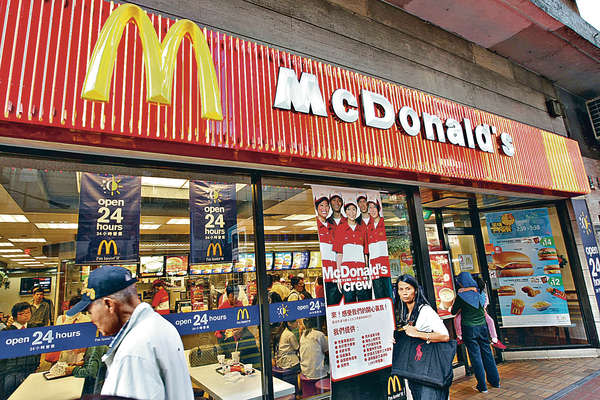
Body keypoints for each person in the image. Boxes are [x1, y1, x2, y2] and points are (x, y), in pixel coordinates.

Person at [65, 265, 193, 400]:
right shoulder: (160, 326)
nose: (92, 319)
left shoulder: (133, 352)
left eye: (90, 311)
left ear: (109, 305)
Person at [394, 274, 451, 400]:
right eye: (401, 289)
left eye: (408, 289)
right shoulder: (403, 312)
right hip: (415, 370)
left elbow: (445, 336)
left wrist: (418, 334)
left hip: (429, 370)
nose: (404, 293)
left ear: (415, 290)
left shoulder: (425, 310)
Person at [451, 272, 500, 393]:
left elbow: (453, 311)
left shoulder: (461, 296)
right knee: (487, 353)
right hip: (483, 327)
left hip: (469, 328)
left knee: (475, 356)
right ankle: (495, 381)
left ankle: (482, 386)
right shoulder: (481, 292)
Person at [0, 302, 41, 399]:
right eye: (21, 314)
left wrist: (36, 364)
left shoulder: (35, 329)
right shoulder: (7, 332)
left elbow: (38, 348)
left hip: (31, 369)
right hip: (11, 372)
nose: (25, 315)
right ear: (14, 316)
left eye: (28, 312)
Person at [453, 275, 506, 349]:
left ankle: (494, 339)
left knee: (457, 319)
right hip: (477, 315)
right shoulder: (476, 291)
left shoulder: (474, 291)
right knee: (490, 321)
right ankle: (494, 339)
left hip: (471, 316)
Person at [333, 199, 370, 303]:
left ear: (357, 211)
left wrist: (367, 273)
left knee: (364, 301)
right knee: (349, 301)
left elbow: (365, 253)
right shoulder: (340, 229)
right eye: (348, 209)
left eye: (354, 209)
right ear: (345, 212)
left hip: (360, 272)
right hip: (347, 273)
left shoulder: (362, 229)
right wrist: (339, 276)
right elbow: (339, 254)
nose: (351, 212)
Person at [315, 194, 342, 306]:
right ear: (316, 208)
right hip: (326, 275)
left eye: (326, 206)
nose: (324, 208)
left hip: (336, 274)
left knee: (338, 304)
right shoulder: (315, 225)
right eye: (321, 205)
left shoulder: (332, 226)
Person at [365, 197, 393, 300]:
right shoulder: (368, 226)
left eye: (374, 207)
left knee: (388, 292)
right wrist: (367, 267)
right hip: (374, 267)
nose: (372, 210)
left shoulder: (384, 223)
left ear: (378, 208)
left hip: (386, 264)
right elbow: (367, 251)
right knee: (378, 293)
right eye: (370, 208)